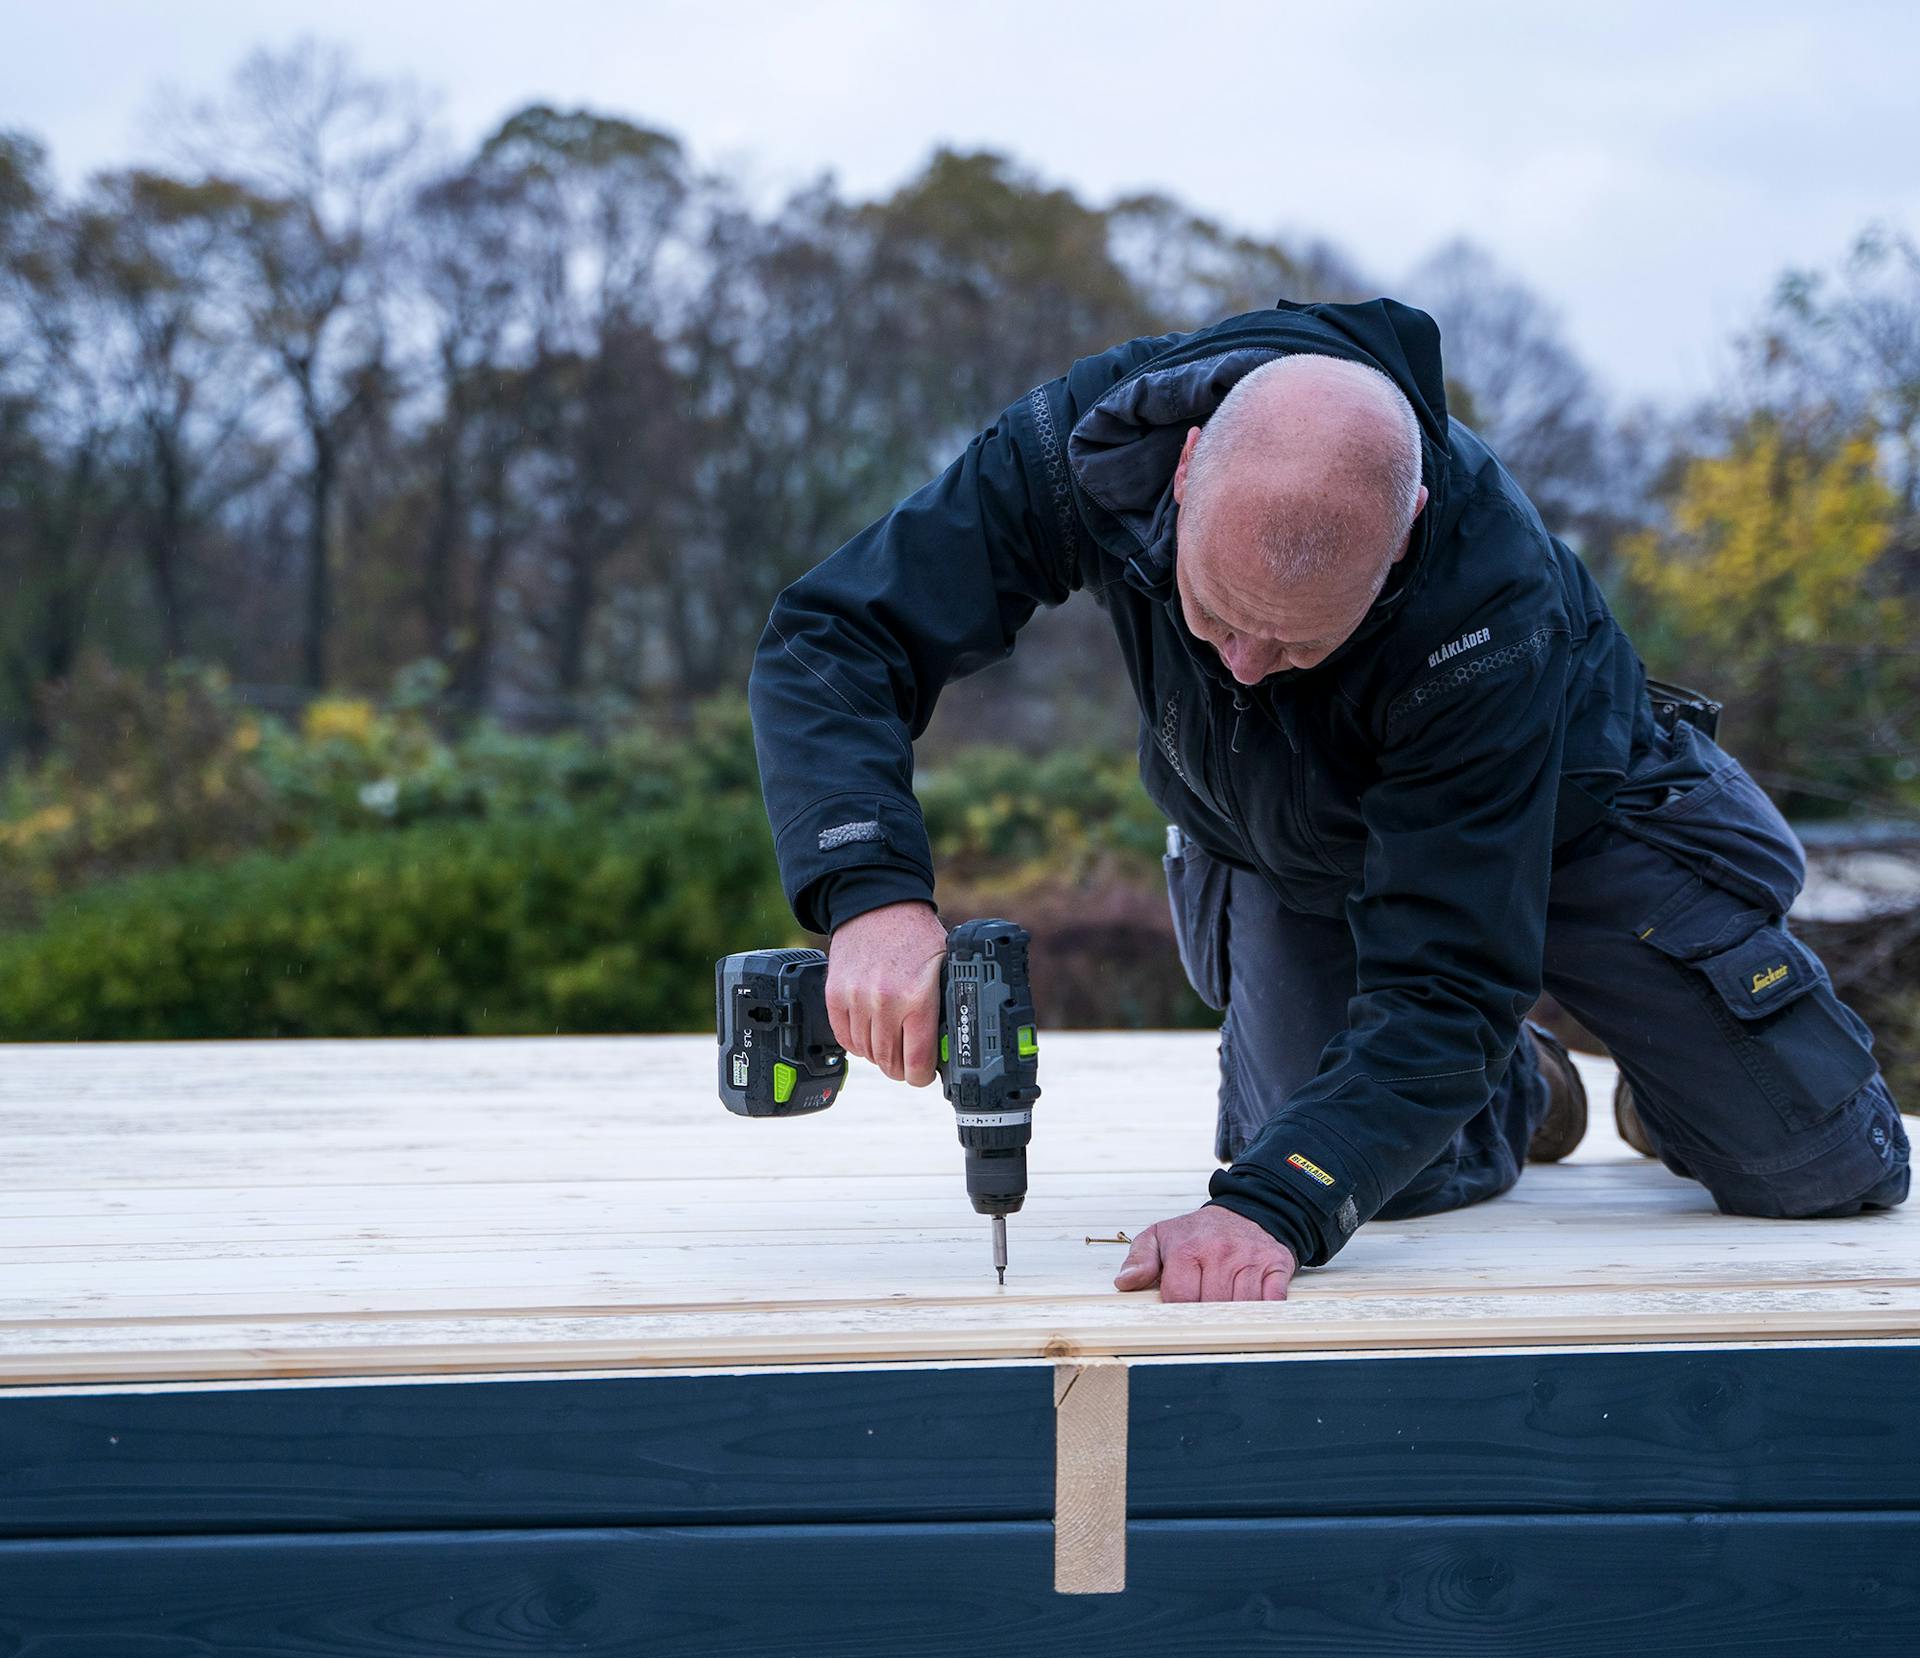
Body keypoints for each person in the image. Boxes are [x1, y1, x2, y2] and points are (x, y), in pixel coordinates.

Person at [747, 296, 1910, 1302]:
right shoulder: (1081, 449)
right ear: (1187, 470)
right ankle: (1511, 1085)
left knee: (1820, 1171)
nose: (1244, 665)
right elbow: (838, 636)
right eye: (1215, 614)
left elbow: (1449, 974)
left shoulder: (1485, 596)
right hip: (1292, 842)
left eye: (1294, 640)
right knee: (1375, 1184)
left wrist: (1272, 1213)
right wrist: (871, 895)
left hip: (1568, 823)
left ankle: (1669, 1078)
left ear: (1401, 535)